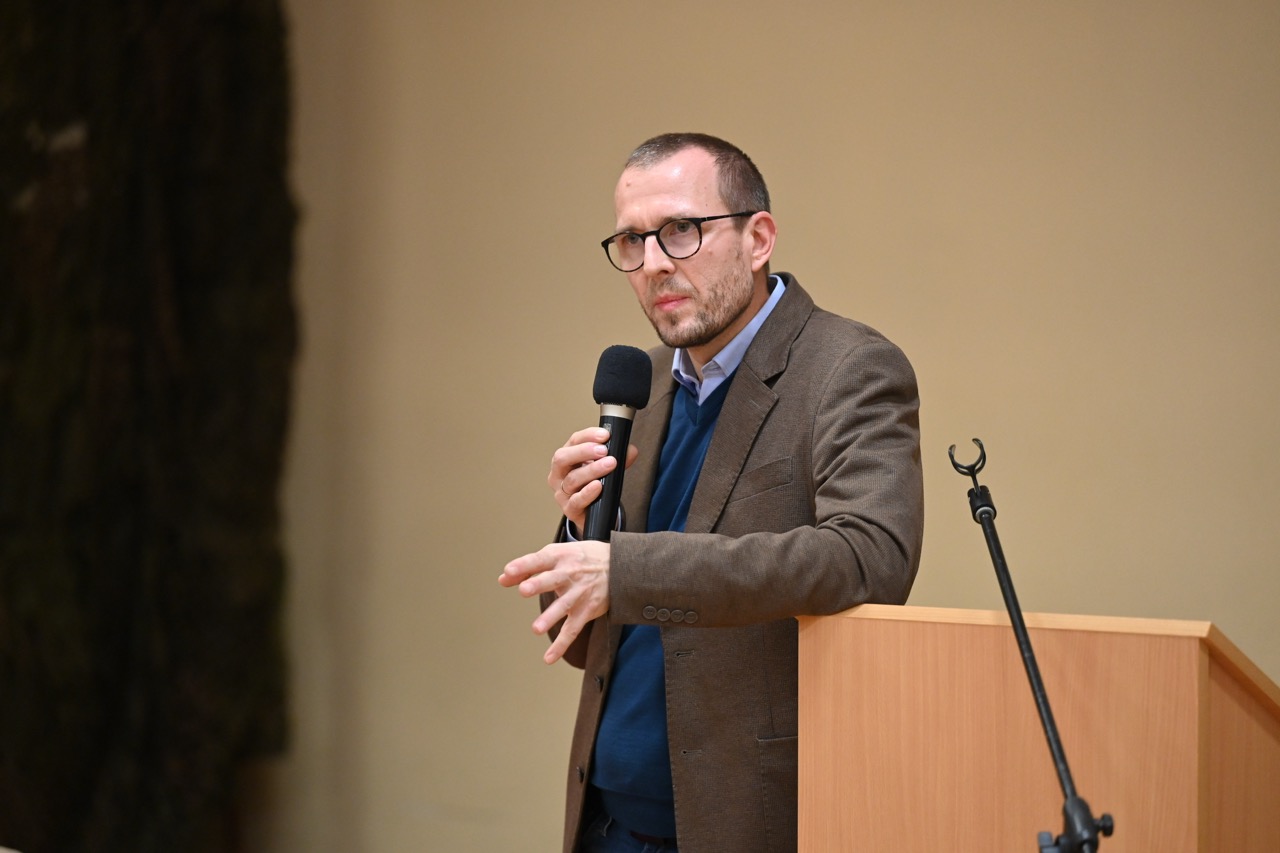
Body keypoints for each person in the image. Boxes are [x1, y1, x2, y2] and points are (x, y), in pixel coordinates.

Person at [499, 132, 924, 853]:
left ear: (758, 239)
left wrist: (625, 571)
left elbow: (869, 559)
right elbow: (583, 642)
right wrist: (581, 531)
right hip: (603, 818)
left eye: (681, 230)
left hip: (735, 819)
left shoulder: (847, 368)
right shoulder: (644, 386)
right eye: (632, 241)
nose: (654, 263)